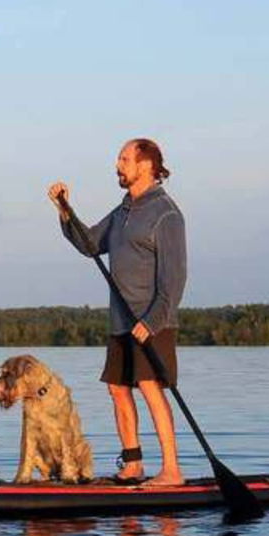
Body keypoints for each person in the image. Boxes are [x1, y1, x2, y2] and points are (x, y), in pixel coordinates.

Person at [47, 139, 188, 486]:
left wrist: (152, 321)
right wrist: (65, 211)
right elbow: (90, 243)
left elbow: (175, 278)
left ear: (145, 166)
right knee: (117, 388)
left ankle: (171, 471)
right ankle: (133, 464)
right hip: (121, 321)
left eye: (124, 159)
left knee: (150, 387)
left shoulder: (167, 214)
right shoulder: (123, 211)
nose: (117, 165)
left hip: (152, 322)